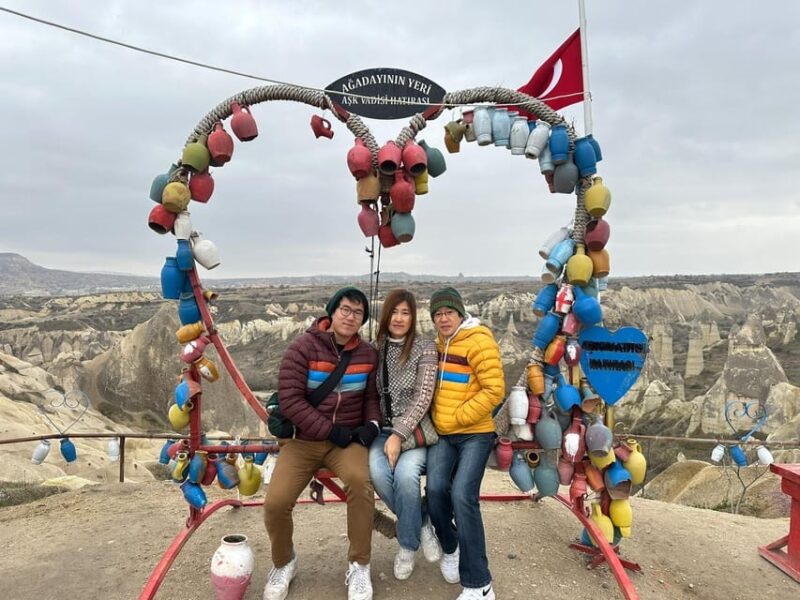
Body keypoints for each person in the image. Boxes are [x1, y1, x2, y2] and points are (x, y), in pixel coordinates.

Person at [263, 287, 381, 600]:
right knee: (276, 502)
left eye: (357, 313)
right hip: (304, 440)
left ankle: (359, 564)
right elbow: (290, 401)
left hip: (347, 440)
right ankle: (283, 561)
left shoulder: (368, 354)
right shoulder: (303, 347)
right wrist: (329, 430)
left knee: (359, 483)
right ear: (331, 311)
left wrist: (371, 424)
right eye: (345, 309)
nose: (350, 317)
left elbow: (371, 397)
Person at [425, 287, 505, 600]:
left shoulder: (478, 340)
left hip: (475, 432)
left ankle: (479, 584)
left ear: (460, 313)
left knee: (462, 495)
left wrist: (458, 417)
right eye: (438, 314)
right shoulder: (440, 343)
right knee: (434, 491)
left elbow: (494, 390)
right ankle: (451, 545)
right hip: (446, 434)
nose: (443, 318)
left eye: (448, 312)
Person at [368, 288, 442, 581]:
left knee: (406, 476)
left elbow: (423, 396)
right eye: (395, 312)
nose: (399, 318)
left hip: (414, 431)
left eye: (406, 312)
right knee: (378, 471)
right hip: (381, 430)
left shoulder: (425, 348)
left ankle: (407, 547)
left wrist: (398, 434)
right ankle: (421, 525)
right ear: (387, 315)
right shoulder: (377, 348)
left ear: (413, 317)